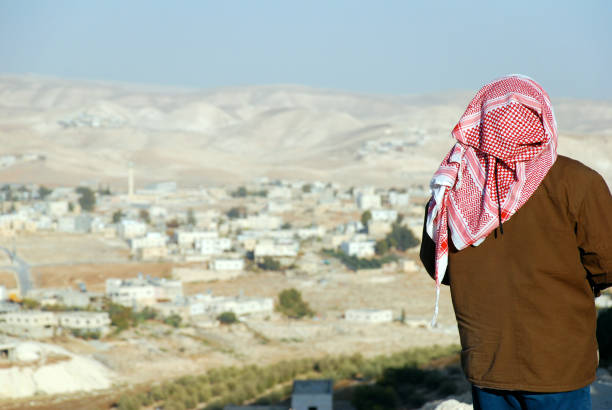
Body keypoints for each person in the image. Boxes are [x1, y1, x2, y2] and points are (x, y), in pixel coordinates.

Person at [419, 74, 612, 410]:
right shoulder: (578, 182)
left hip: (488, 360)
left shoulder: (454, 185)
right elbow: (607, 266)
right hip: (559, 362)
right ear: (542, 118)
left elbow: (437, 264)